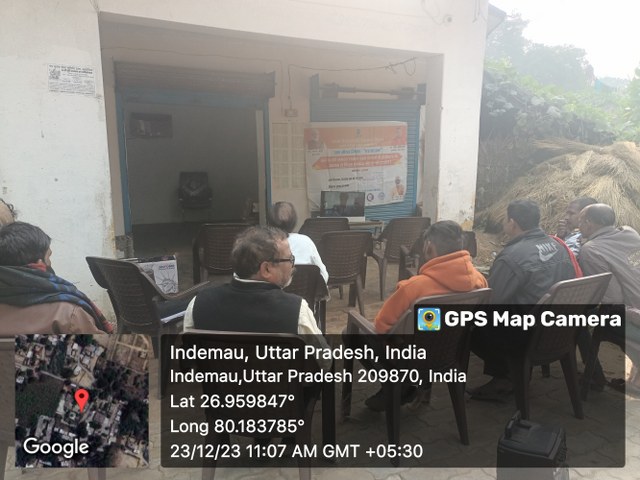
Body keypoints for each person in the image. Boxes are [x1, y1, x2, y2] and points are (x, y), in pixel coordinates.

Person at [361, 220, 488, 411]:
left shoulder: (414, 288)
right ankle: (410, 386)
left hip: (410, 359)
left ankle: (399, 385)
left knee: (352, 334)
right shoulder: (480, 281)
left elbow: (381, 327)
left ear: (428, 247)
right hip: (450, 353)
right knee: (429, 325)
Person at [469, 199, 577, 400]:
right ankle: (510, 373)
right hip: (558, 328)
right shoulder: (558, 246)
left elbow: (492, 300)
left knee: (473, 325)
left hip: (528, 334)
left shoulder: (511, 256)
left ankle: (505, 377)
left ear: (512, 223)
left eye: (505, 219)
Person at [184, 225, 330, 367]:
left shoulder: (198, 303)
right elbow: (324, 362)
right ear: (266, 269)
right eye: (290, 259)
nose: (293, 265)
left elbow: (189, 360)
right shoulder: (297, 310)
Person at [0, 222, 110, 335]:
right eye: (48, 256)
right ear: (39, 264)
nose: (50, 263)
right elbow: (98, 345)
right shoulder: (68, 312)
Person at [578, 203, 640, 392]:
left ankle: (595, 378)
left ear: (589, 223)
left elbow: (611, 298)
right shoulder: (630, 232)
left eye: (580, 221)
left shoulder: (591, 250)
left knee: (576, 320)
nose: (578, 226)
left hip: (632, 315)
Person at [267, 201, 329, 283]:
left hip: (275, 291)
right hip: (306, 291)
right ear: (294, 221)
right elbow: (324, 275)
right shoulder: (306, 241)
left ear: (269, 223)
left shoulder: (264, 244)